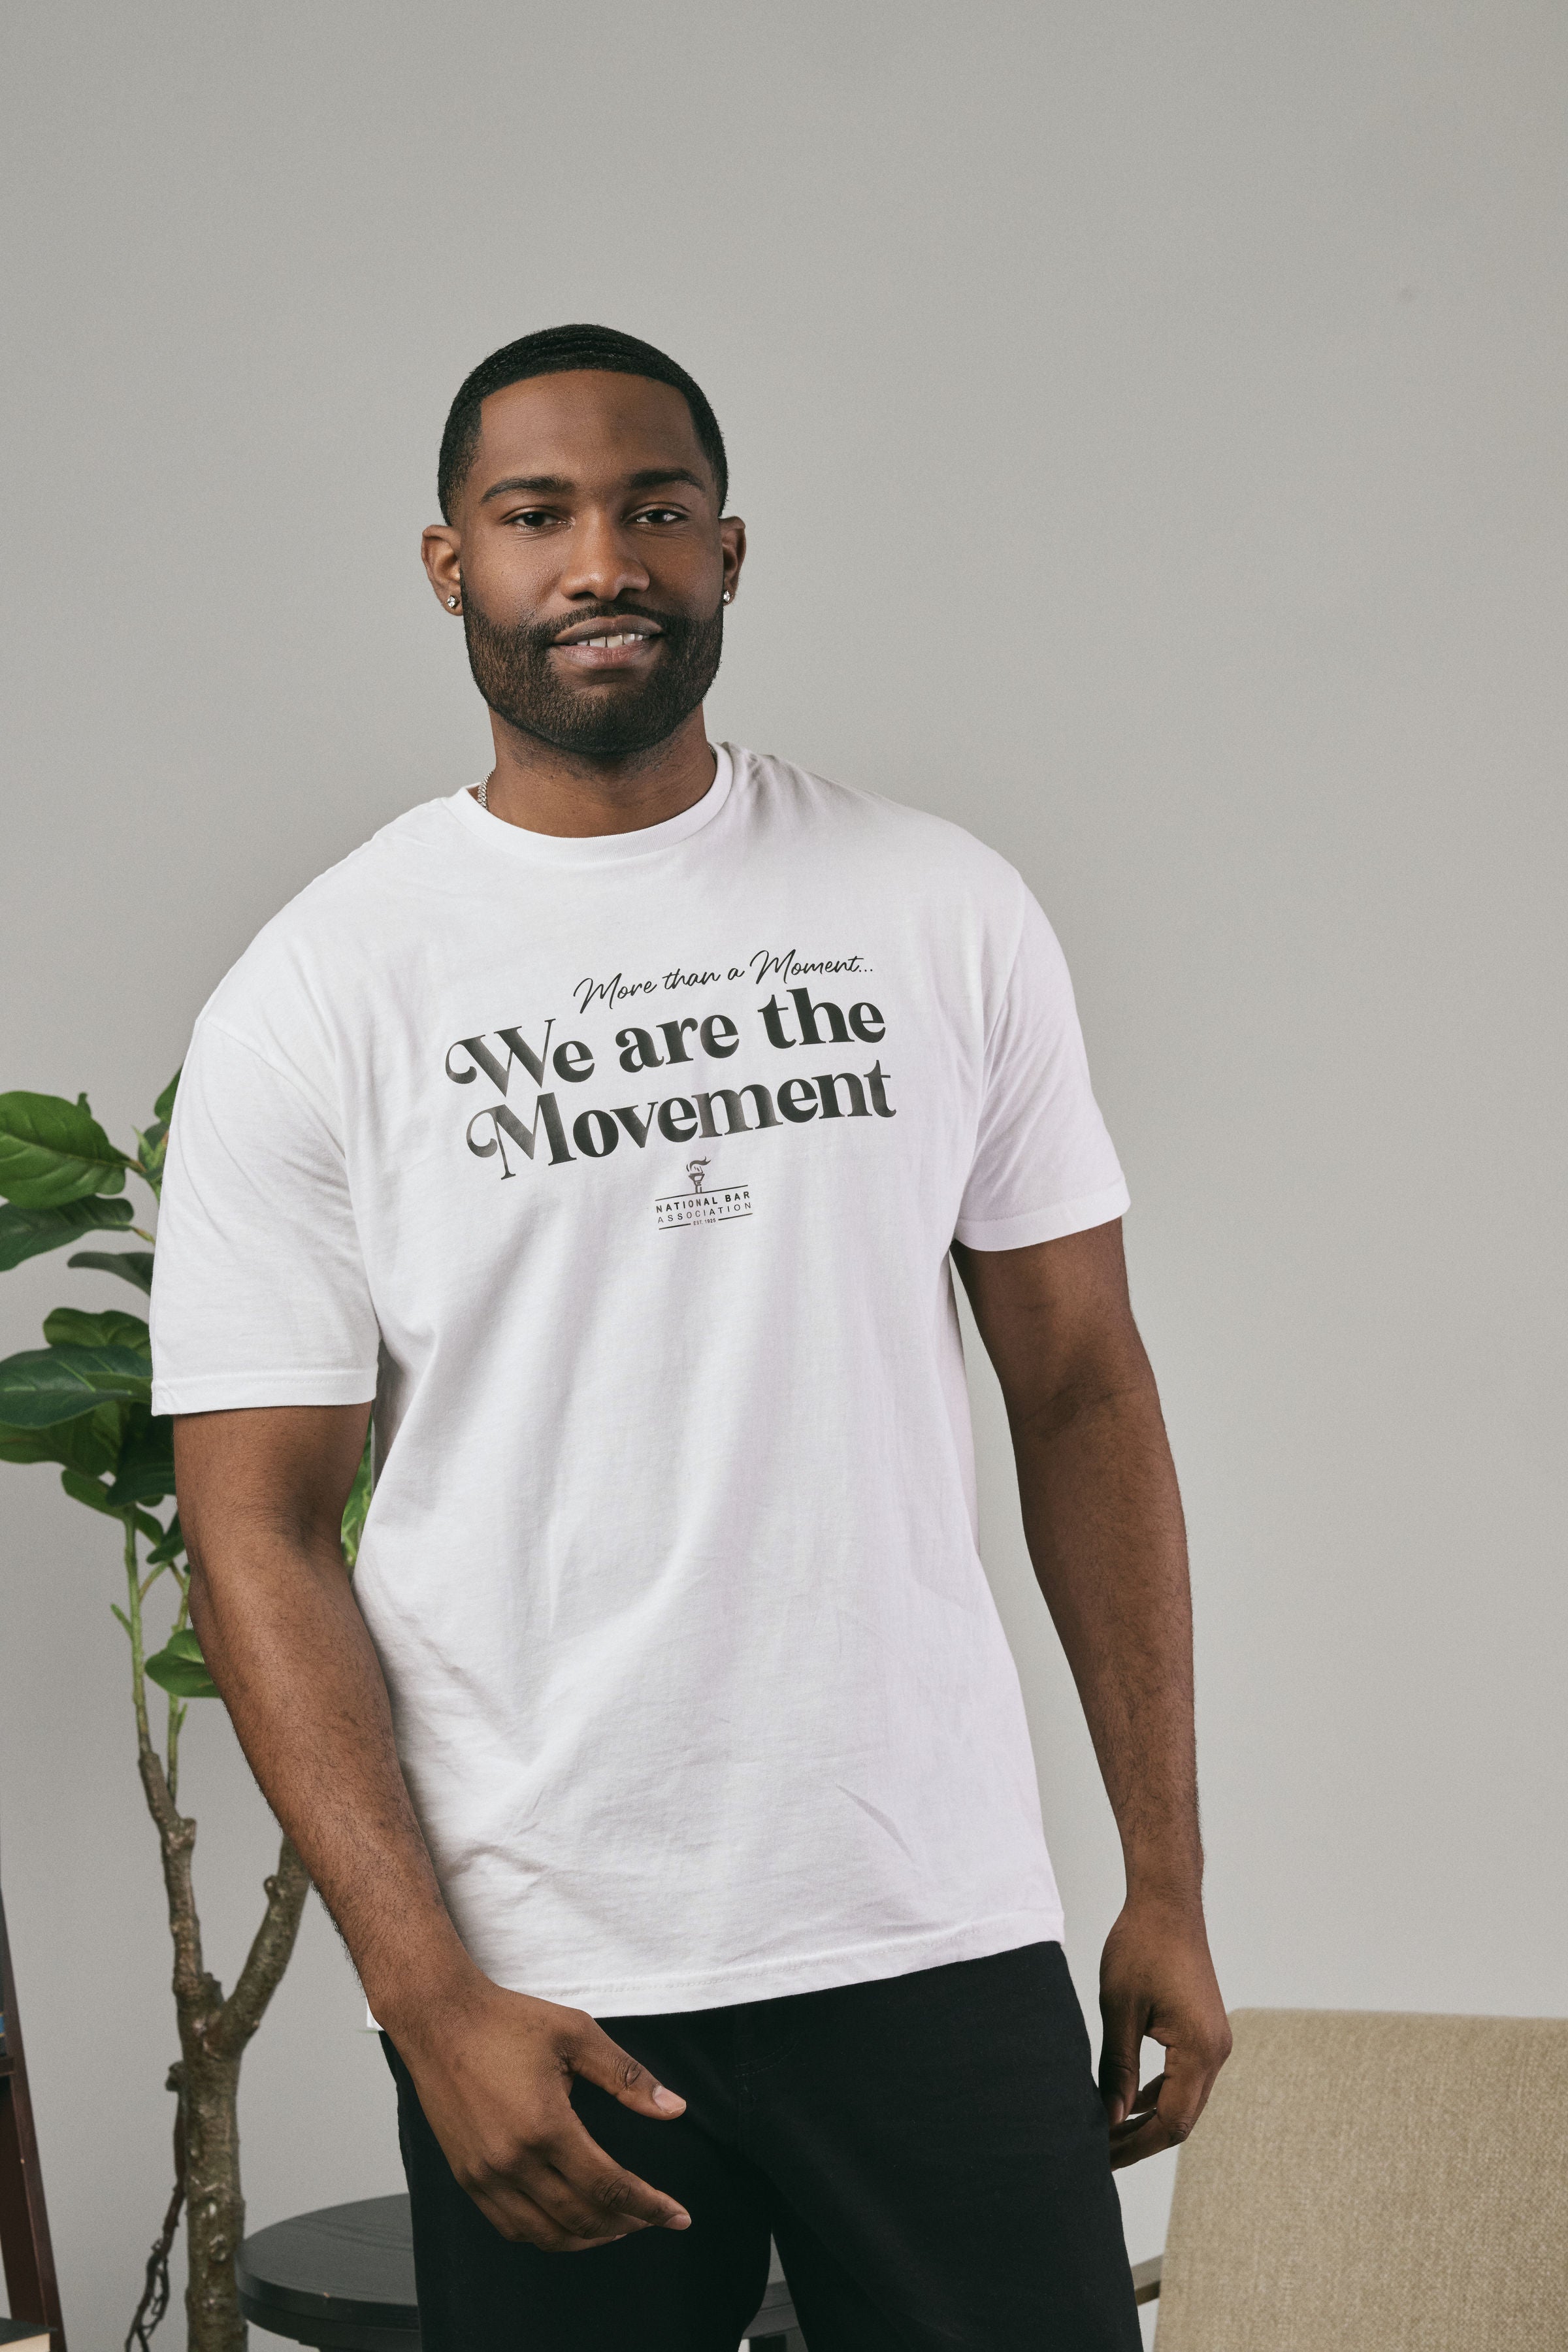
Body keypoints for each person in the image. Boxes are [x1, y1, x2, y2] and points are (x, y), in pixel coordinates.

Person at [152, 324, 1230, 2351]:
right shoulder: (320, 994)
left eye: (652, 510)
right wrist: (424, 1992)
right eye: (535, 514)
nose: (600, 561)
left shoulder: (940, 909)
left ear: (729, 549)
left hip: (924, 1914)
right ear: (446, 560)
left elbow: (1083, 1382)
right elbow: (259, 1529)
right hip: (549, 1967)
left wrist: (1163, 1875)